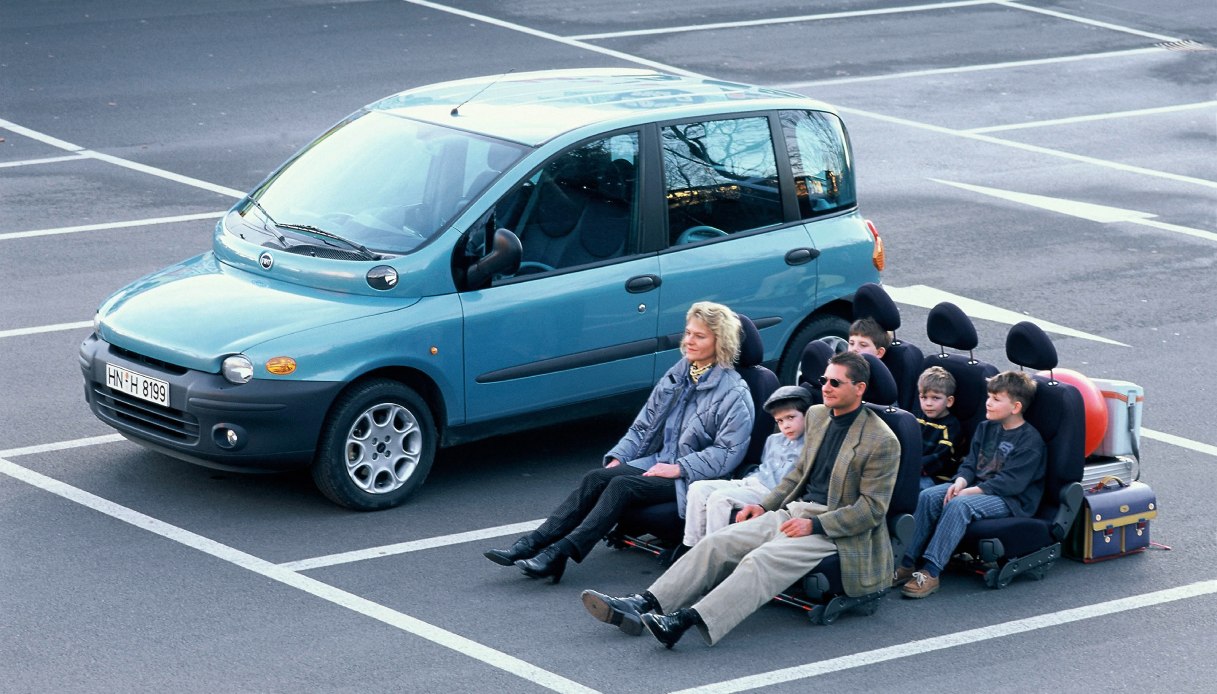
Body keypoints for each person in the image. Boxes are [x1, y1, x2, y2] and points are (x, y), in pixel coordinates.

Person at [581, 352, 899, 647]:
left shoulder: (882, 440)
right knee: (717, 543)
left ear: (859, 388)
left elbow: (871, 511)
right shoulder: (817, 415)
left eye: (835, 382)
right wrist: (764, 505)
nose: (825, 388)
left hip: (837, 531)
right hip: (793, 512)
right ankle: (643, 603)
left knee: (759, 560)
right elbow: (798, 472)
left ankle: (683, 621)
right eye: (824, 381)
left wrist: (815, 525)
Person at [483, 301, 754, 584]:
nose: (688, 341)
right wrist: (620, 458)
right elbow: (643, 425)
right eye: (687, 333)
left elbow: (727, 453)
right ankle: (531, 543)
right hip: (659, 461)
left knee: (622, 485)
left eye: (699, 336)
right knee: (597, 477)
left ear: (720, 341)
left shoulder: (734, 392)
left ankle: (559, 554)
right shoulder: (678, 374)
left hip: (692, 478)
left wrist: (679, 468)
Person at [898, 371, 1045, 598]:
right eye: (989, 397)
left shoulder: (1030, 441)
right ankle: (906, 562)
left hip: (1010, 500)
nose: (988, 402)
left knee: (959, 505)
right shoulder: (986, 427)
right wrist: (960, 481)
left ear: (1015, 407)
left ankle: (931, 571)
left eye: (996, 399)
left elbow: (1011, 484)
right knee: (928, 496)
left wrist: (968, 492)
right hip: (978, 487)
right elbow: (970, 462)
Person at [680, 385, 812, 548]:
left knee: (719, 499)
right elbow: (764, 466)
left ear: (807, 415)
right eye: (780, 421)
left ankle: (716, 551)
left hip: (770, 492)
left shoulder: (811, 444)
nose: (785, 425)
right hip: (750, 481)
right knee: (697, 488)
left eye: (791, 417)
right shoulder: (773, 440)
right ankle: (692, 546)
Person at [915, 366, 962, 490]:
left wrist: (910, 466)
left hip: (937, 478)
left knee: (914, 487)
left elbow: (940, 458)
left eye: (935, 398)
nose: (928, 403)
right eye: (924, 397)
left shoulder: (951, 427)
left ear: (949, 401)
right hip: (914, 468)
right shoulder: (917, 417)